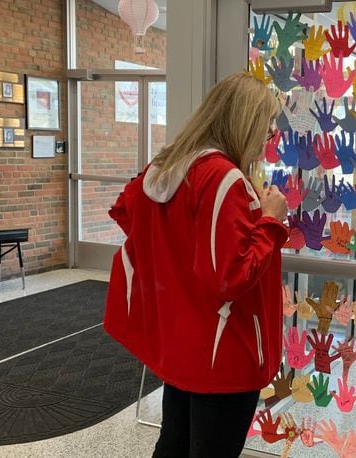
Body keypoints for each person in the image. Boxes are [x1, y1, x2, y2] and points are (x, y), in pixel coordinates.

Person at [103, 73, 288, 457]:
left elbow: (127, 211)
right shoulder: (225, 178)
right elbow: (232, 277)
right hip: (225, 350)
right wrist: (272, 219)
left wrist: (177, 253)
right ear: (245, 122)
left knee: (173, 445)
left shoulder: (169, 163)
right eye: (267, 128)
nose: (268, 139)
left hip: (182, 342)